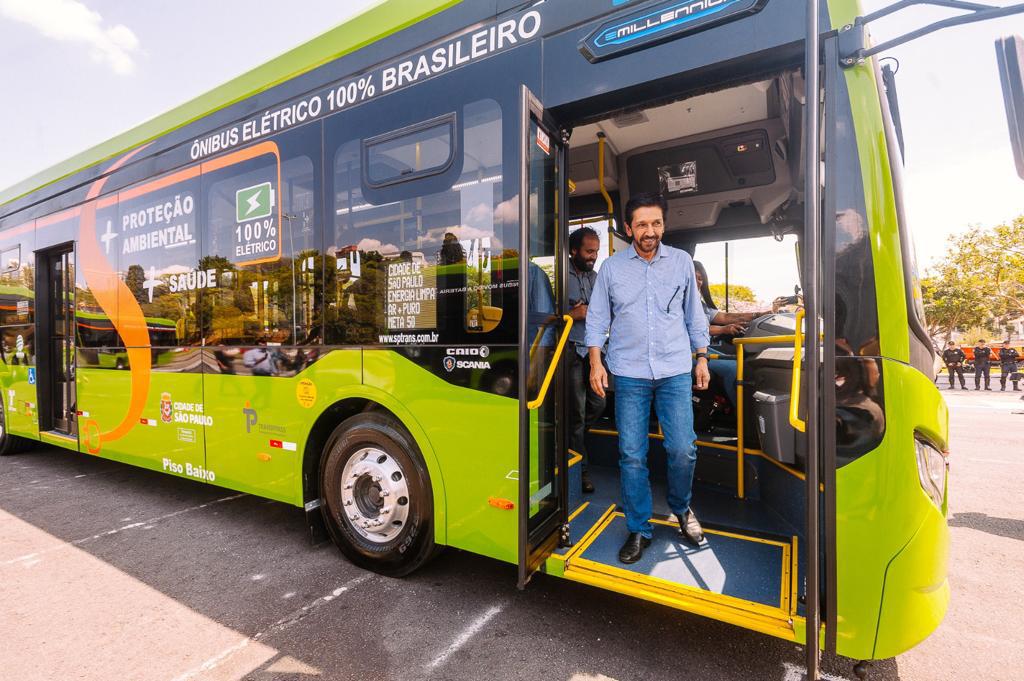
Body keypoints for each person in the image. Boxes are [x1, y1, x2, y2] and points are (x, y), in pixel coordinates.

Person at [586, 192, 711, 565]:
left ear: (663, 225)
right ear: (629, 228)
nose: (650, 231)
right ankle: (639, 528)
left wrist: (702, 357)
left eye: (656, 223)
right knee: (631, 454)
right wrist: (596, 363)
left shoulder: (682, 263)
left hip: (674, 370)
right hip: (628, 373)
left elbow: (695, 315)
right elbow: (596, 320)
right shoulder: (611, 268)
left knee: (682, 449)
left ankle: (682, 509)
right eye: (641, 224)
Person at [692, 260, 776, 407]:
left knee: (740, 363)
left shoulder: (701, 305)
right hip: (688, 352)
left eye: (700, 278)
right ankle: (741, 415)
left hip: (702, 348)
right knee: (733, 369)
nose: (698, 282)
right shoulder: (678, 302)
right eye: (694, 277)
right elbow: (693, 329)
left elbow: (725, 317)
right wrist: (724, 329)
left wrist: (761, 314)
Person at [566, 226, 606, 494]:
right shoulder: (558, 276)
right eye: (589, 251)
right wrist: (573, 313)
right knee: (577, 414)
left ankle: (568, 441)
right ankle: (580, 470)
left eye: (596, 252)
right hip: (568, 351)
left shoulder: (596, 278)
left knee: (599, 404)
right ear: (573, 251)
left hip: (594, 352)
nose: (593, 257)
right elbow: (544, 317)